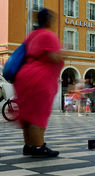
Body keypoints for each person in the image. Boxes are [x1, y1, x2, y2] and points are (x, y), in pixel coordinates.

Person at [13, 8, 64, 157]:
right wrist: (64, 52)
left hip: (24, 76)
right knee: (38, 113)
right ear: (48, 20)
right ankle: (38, 146)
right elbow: (54, 57)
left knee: (28, 114)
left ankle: (29, 145)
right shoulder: (48, 35)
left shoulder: (32, 35)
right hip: (40, 78)